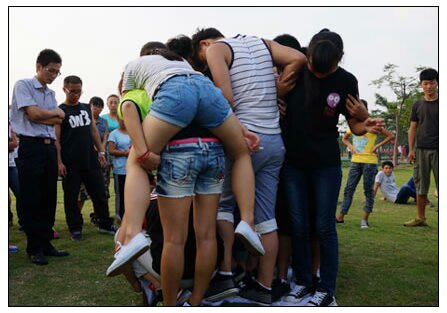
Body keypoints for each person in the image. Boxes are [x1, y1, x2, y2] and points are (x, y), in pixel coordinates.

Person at [106, 46, 262, 300]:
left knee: (137, 161)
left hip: (179, 143)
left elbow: (129, 104)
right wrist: (241, 130)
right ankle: (247, 221)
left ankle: (135, 236)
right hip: (212, 136)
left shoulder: (136, 70)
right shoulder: (186, 66)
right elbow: (205, 98)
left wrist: (144, 152)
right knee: (208, 233)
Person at [191, 27, 306, 306]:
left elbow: (226, 98)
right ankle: (264, 287)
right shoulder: (263, 44)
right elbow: (299, 59)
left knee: (224, 206)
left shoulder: (218, 49)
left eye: (201, 59)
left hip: (245, 139)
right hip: (274, 142)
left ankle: (226, 273)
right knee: (267, 218)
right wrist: (278, 87)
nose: (205, 64)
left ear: (205, 43)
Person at [279, 30, 383, 306]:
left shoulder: (347, 81)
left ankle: (326, 288)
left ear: (339, 60)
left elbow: (355, 126)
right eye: (313, 66)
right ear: (307, 54)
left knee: (324, 227)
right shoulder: (297, 68)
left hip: (325, 164)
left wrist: (365, 121)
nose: (318, 74)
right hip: (293, 162)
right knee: (299, 225)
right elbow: (276, 99)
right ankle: (302, 281)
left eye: (325, 71)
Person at [10, 49, 69, 265]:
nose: (53, 75)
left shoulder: (50, 94)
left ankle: (46, 243)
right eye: (50, 70)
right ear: (38, 67)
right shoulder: (23, 85)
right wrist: (53, 115)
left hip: (49, 148)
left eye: (57, 72)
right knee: (31, 198)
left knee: (49, 197)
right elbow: (33, 115)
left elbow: (58, 121)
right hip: (30, 147)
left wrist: (52, 117)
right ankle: (34, 247)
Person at [56, 75, 117, 241]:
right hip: (70, 162)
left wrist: (101, 152)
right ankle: (75, 228)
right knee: (71, 196)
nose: (76, 94)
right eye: (72, 91)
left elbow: (93, 131)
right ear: (64, 90)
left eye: (79, 91)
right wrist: (59, 161)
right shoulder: (60, 111)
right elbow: (56, 139)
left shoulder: (85, 108)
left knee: (100, 193)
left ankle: (104, 223)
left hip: (90, 159)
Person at [336, 99, 395, 228]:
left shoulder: (373, 124)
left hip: (369, 163)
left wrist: (377, 146)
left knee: (368, 191)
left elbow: (391, 136)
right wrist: (350, 146)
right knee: (348, 189)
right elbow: (344, 138)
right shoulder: (353, 125)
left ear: (365, 110)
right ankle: (340, 217)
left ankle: (364, 220)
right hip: (355, 162)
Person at [404, 68, 438, 227]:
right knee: (421, 185)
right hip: (421, 150)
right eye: (426, 83)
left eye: (432, 83)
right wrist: (411, 150)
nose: (429, 86)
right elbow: (412, 128)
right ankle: (420, 218)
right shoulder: (417, 105)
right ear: (421, 85)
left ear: (437, 83)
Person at [78, 96, 109, 224]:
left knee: (102, 189)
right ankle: (76, 216)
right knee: (82, 191)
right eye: (95, 105)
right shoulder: (83, 119)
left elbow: (105, 136)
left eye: (100, 106)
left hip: (100, 158)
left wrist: (101, 151)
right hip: (86, 158)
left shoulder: (103, 122)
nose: (97, 108)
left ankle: (98, 216)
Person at [101, 94, 120, 219]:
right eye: (111, 102)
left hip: (120, 155)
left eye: (115, 102)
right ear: (107, 104)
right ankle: (103, 213)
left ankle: (120, 213)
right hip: (106, 154)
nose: (113, 104)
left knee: (119, 185)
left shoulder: (123, 118)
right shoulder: (103, 118)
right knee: (104, 183)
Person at [108, 118, 131, 220]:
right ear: (118, 120)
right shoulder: (114, 134)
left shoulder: (133, 132)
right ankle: (120, 215)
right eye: (121, 119)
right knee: (120, 193)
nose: (124, 121)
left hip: (133, 169)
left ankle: (131, 214)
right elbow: (111, 150)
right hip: (120, 169)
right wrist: (125, 153)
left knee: (132, 193)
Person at [8, 120, 23, 228]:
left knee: (20, 193)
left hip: (11, 164)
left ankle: (23, 221)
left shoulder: (8, 124)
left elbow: (14, 143)